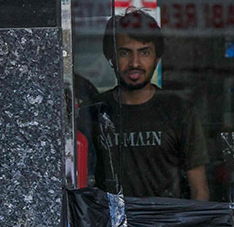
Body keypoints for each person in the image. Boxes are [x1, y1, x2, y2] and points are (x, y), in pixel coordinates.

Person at [86, 10, 209, 200]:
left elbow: (199, 190)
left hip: (168, 225)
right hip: (111, 226)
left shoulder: (179, 110)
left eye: (144, 52)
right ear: (112, 58)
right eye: (125, 53)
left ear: (157, 58)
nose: (135, 63)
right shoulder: (96, 111)